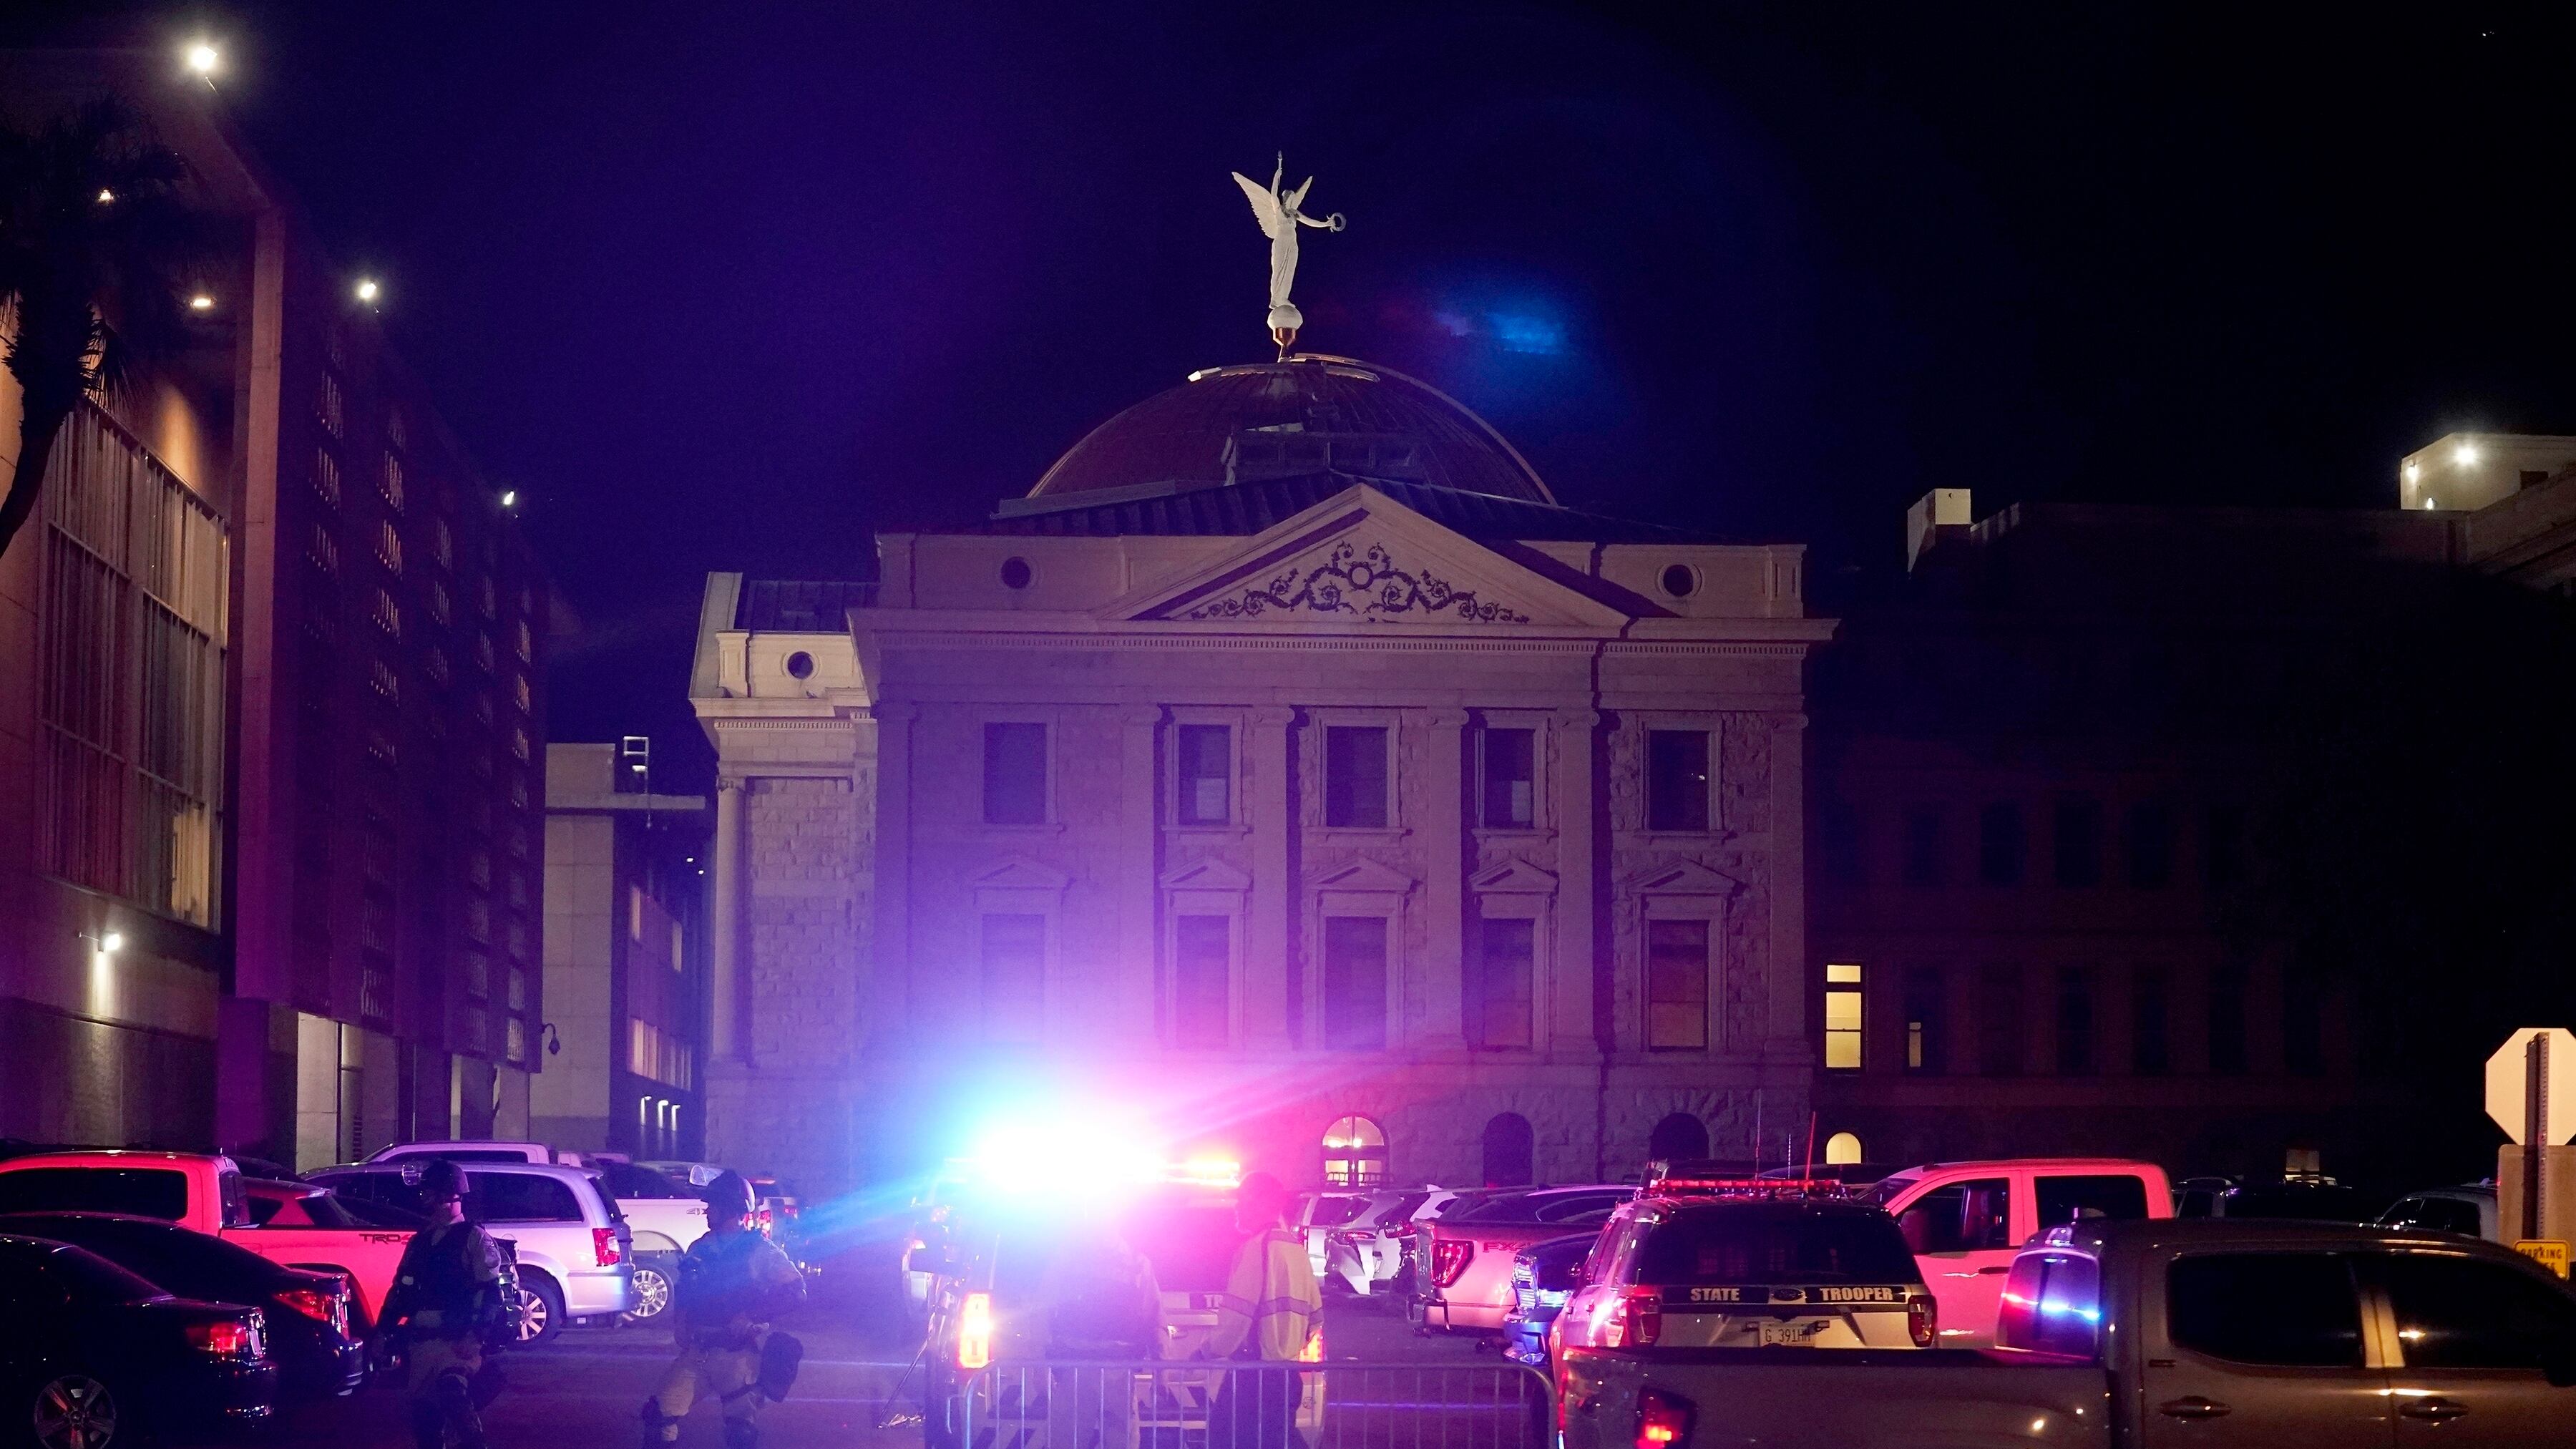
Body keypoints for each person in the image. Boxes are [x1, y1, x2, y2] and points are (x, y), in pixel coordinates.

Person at [645, 1171, 808, 1449]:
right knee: (658, 1415)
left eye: (714, 1205)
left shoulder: (760, 1250)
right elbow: (687, 1289)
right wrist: (681, 1321)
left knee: (740, 1432)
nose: (707, 1211)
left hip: (737, 1355)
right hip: (698, 1352)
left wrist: (752, 1315)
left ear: (731, 1208)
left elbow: (796, 1291)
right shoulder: (700, 1247)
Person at [377, 1160, 510, 1449]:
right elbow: (401, 1291)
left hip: (457, 1341)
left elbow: (490, 1293)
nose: (424, 1199)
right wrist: (382, 1331)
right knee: (425, 1421)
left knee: (453, 1394)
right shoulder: (420, 1242)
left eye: (429, 1193)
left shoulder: (473, 1238)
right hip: (422, 1343)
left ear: (449, 1195)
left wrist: (475, 1337)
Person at [1205, 1172, 1319, 1449]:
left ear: (1260, 1203)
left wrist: (1207, 1351)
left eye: (1242, 1200)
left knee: (1225, 1439)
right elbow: (1315, 1318)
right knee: (1278, 1439)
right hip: (1287, 1375)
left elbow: (1236, 1319)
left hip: (1253, 1376)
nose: (1237, 1207)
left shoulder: (1255, 1249)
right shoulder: (1297, 1251)